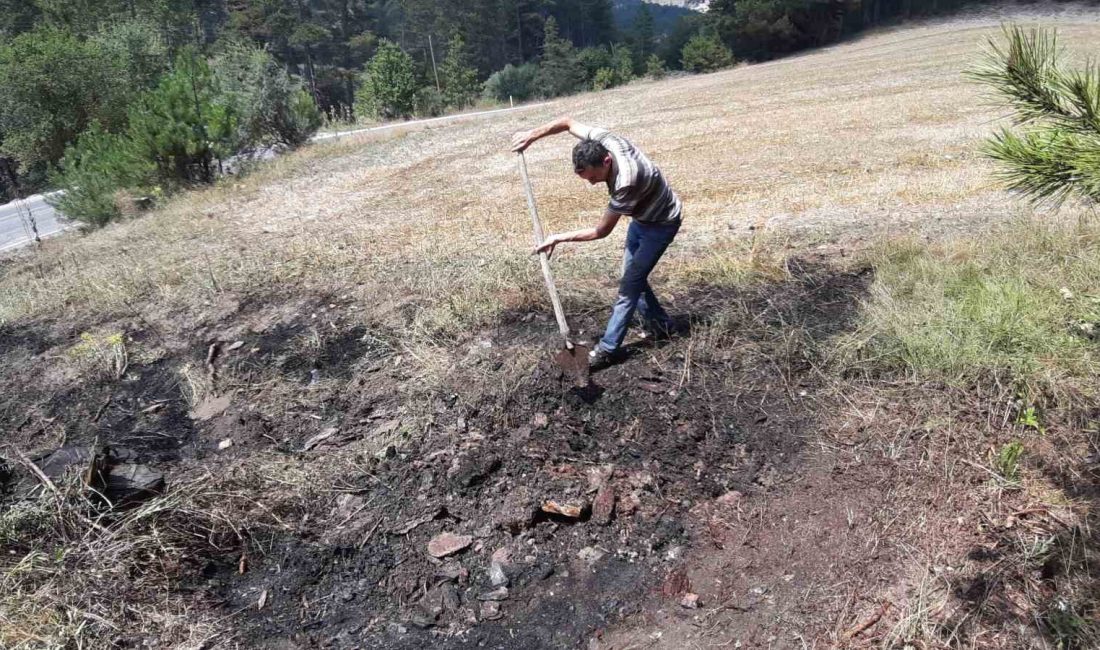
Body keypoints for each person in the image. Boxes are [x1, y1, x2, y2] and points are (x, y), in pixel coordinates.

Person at [511, 117, 683, 369]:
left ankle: (608, 348)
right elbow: (568, 123)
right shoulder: (606, 141)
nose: (592, 183)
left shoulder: (627, 180)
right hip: (641, 219)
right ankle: (661, 326)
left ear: (606, 161)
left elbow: (601, 231)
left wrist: (559, 237)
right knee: (633, 275)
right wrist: (532, 135)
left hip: (661, 223)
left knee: (629, 286)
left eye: (593, 177)